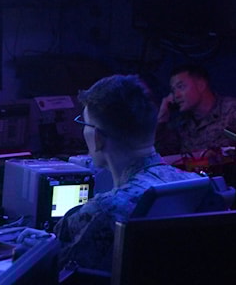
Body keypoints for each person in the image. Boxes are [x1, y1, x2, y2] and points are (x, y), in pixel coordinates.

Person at [20, 74, 203, 273]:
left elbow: (56, 271)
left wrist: (28, 251)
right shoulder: (196, 184)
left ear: (97, 137)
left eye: (85, 124)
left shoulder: (105, 209)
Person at [156, 63, 236, 155]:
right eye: (173, 90)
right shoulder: (180, 123)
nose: (176, 95)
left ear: (201, 85)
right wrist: (162, 117)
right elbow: (163, 156)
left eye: (180, 87)